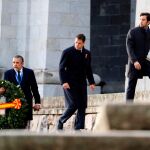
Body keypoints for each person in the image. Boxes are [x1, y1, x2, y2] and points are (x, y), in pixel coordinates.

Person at [57, 34, 95, 130]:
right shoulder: (67, 52)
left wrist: (91, 82)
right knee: (73, 104)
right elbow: (61, 68)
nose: (77, 45)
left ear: (83, 43)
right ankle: (61, 120)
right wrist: (64, 81)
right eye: (76, 42)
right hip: (69, 83)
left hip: (81, 83)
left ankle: (79, 128)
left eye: (79, 43)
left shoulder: (87, 53)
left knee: (82, 105)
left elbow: (88, 69)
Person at [3, 55, 41, 127]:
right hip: (12, 104)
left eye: (17, 62)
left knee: (24, 125)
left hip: (26, 103)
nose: (15, 64)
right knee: (10, 126)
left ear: (22, 63)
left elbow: (34, 88)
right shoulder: (7, 73)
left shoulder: (29, 72)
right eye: (13, 62)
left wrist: (37, 102)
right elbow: (5, 89)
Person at [126, 12, 150, 102]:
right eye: (140, 19)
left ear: (148, 22)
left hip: (145, 61)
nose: (141, 21)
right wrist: (134, 61)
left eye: (143, 20)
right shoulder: (133, 32)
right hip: (134, 62)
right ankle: (128, 108)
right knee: (131, 86)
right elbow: (129, 48)